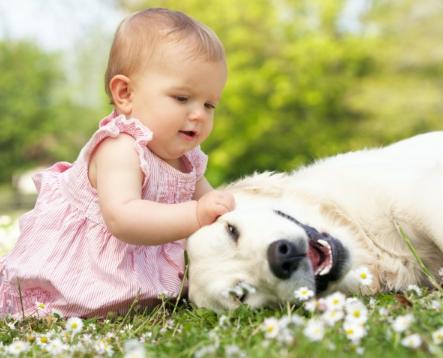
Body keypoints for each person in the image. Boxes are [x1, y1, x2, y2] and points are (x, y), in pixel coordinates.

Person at [0, 8, 235, 318]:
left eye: (209, 104)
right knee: (57, 306)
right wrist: (196, 213)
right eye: (181, 98)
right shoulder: (119, 147)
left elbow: (212, 205)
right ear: (125, 93)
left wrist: (228, 213)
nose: (199, 114)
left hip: (131, 284)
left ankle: (150, 295)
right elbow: (124, 218)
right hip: (77, 277)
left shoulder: (186, 160)